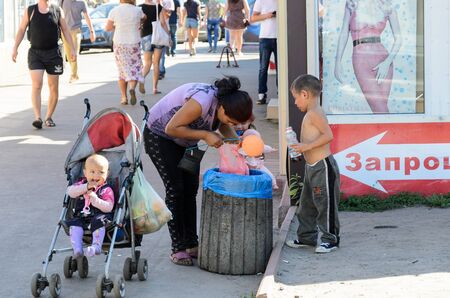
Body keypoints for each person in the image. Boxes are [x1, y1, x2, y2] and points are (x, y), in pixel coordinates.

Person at [143, 76, 253, 266]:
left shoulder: (223, 107)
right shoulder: (201, 102)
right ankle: (178, 248)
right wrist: (205, 134)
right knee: (176, 189)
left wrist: (240, 146)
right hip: (160, 137)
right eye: (231, 120)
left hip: (187, 142)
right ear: (223, 108)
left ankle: (192, 244)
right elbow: (171, 128)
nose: (232, 124)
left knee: (190, 189)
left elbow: (225, 125)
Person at [285, 74, 341, 254]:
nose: (295, 103)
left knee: (325, 204)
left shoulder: (315, 113)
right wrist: (301, 148)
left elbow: (328, 136)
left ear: (304, 94)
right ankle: (306, 237)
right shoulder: (311, 113)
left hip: (322, 167)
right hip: (311, 167)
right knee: (306, 204)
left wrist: (306, 146)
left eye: (295, 98)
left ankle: (330, 239)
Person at [12, 0, 76, 129]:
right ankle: (38, 117)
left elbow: (65, 30)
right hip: (35, 53)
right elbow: (21, 29)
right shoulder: (30, 10)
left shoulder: (57, 10)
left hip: (53, 53)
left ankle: (48, 117)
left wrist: (73, 49)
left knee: (53, 87)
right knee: (37, 84)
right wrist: (15, 47)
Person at [334, 0, 402, 113]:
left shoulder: (387, 5)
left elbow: (399, 39)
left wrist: (387, 63)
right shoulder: (352, 3)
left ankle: (387, 130)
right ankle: (394, 130)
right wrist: (337, 62)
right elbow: (344, 32)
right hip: (361, 60)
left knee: (381, 110)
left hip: (383, 61)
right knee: (380, 110)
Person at [66, 154, 114, 258]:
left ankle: (96, 246)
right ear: (85, 173)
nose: (96, 176)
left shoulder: (106, 189)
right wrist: (85, 187)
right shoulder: (80, 184)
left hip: (99, 216)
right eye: (92, 172)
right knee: (74, 223)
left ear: (107, 174)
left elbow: (109, 207)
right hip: (81, 216)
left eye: (101, 172)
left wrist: (96, 200)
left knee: (99, 221)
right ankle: (77, 249)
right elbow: (70, 192)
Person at [105, 0, 145, 105]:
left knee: (122, 70)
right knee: (134, 68)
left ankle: (124, 97)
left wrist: (118, 26)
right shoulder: (137, 10)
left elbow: (108, 28)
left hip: (119, 43)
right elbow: (144, 17)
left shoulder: (114, 11)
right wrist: (139, 23)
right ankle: (132, 88)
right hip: (134, 42)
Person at [59, 0, 96, 83]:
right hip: (65, 31)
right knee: (68, 55)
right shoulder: (62, 1)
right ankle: (74, 73)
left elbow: (87, 17)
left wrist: (92, 31)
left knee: (74, 52)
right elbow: (58, 15)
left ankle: (74, 75)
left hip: (76, 30)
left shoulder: (81, 3)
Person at [138, 0, 169, 95]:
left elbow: (138, 24)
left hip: (145, 35)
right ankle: (155, 88)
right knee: (156, 63)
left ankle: (141, 77)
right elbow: (163, 22)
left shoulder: (140, 8)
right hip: (158, 36)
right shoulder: (158, 7)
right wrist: (168, 35)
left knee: (147, 63)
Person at [250, 0, 277, 105]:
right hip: (265, 37)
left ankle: (281, 93)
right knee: (263, 68)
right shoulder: (260, 1)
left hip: (279, 37)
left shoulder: (282, 2)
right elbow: (253, 18)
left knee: (281, 69)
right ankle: (262, 94)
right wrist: (268, 15)